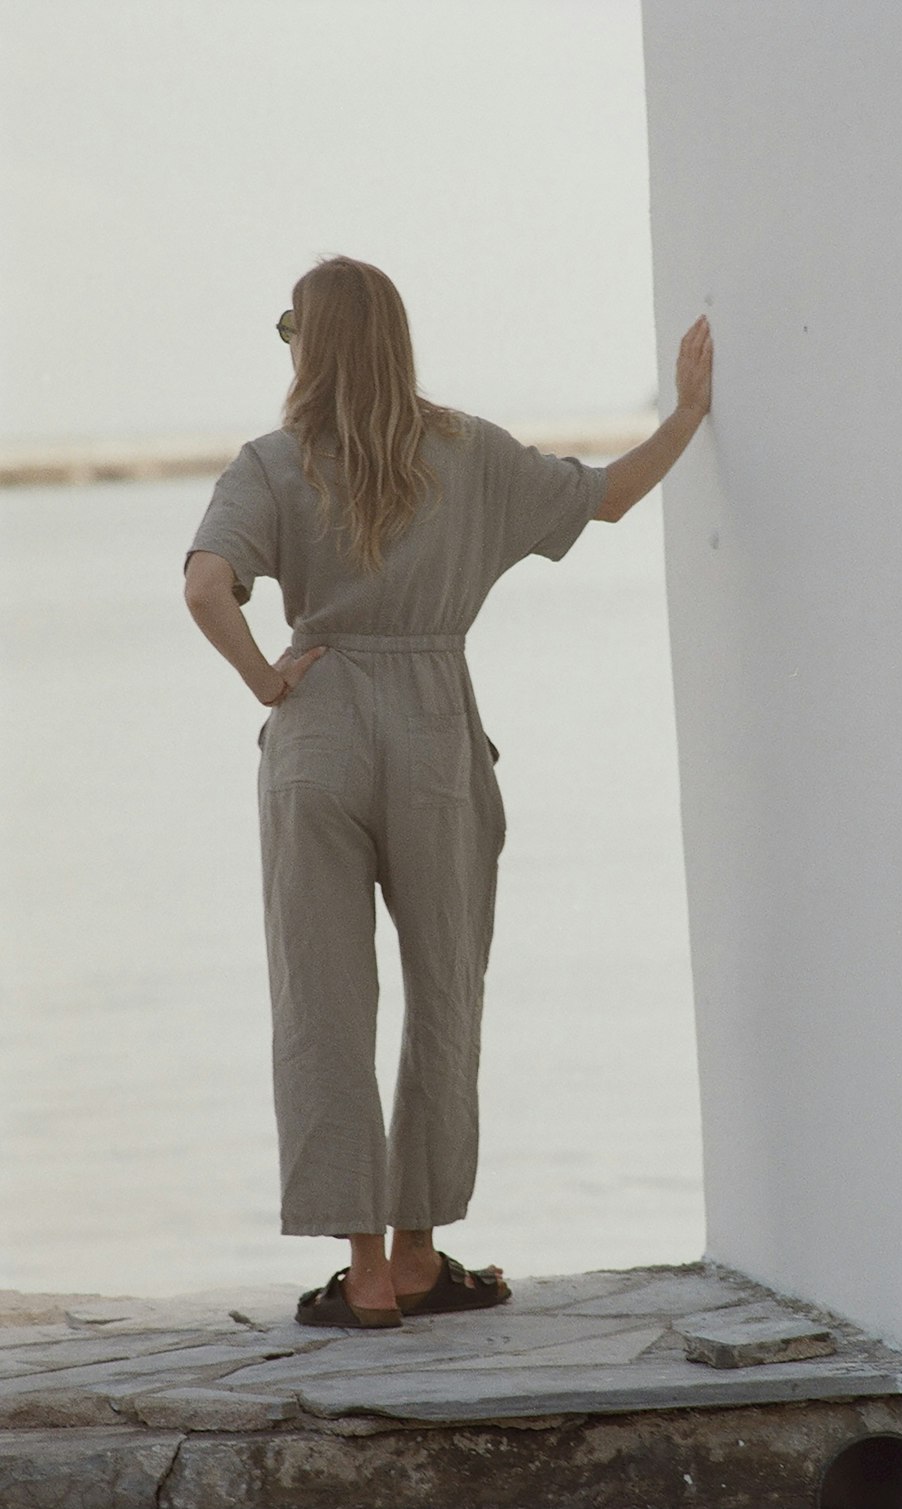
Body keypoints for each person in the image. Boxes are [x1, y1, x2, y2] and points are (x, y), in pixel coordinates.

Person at [184, 255, 712, 1330]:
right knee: (444, 988)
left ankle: (367, 1274)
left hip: (317, 722)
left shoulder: (271, 465)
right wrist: (688, 411)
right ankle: (424, 1256)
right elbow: (607, 498)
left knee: (323, 1001)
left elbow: (203, 586)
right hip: (432, 723)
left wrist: (264, 676)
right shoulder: (469, 452)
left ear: (310, 345)